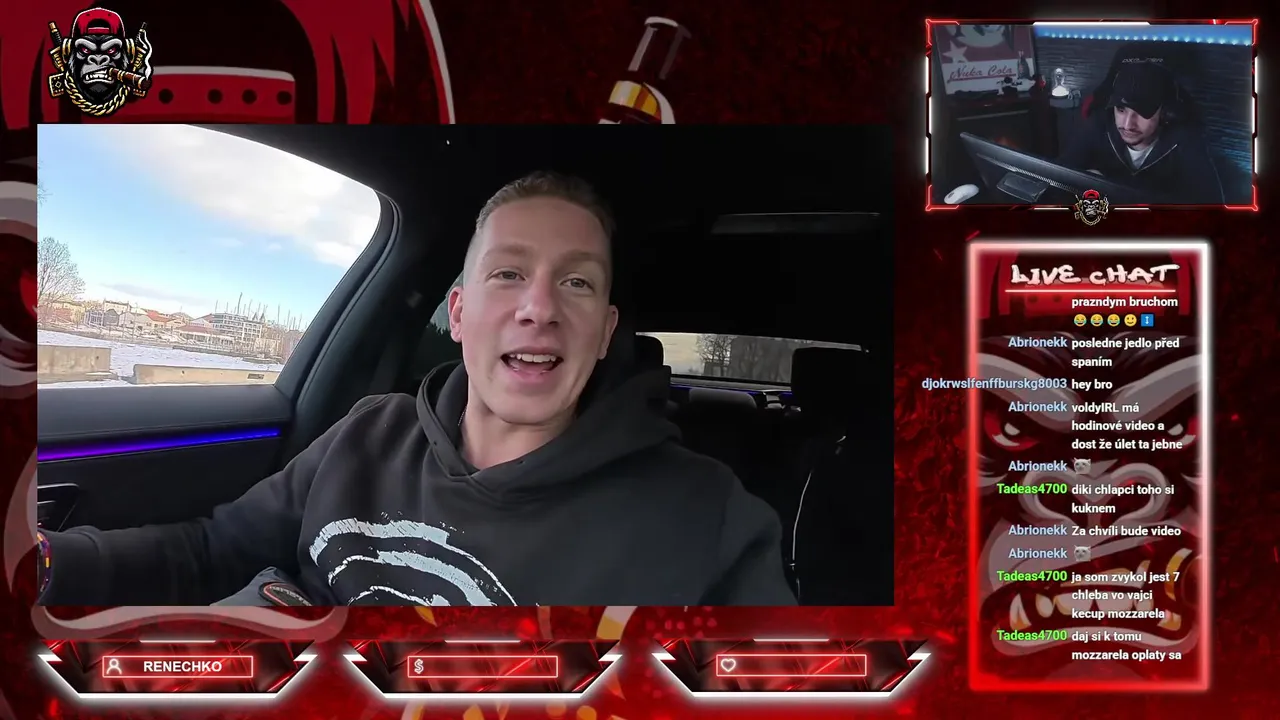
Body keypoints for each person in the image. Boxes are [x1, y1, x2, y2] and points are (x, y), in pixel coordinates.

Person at [34, 171, 797, 607]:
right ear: (458, 315)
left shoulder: (707, 518)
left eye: (577, 283)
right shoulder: (370, 433)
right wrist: (38, 566)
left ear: (604, 333)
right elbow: (210, 553)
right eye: (509, 273)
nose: (539, 307)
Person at [1058, 61, 1225, 204]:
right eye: (1121, 109)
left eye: (1142, 112)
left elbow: (1212, 206)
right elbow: (1058, 176)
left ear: (1165, 113)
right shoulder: (1099, 124)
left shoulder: (1187, 141)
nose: (1127, 125)